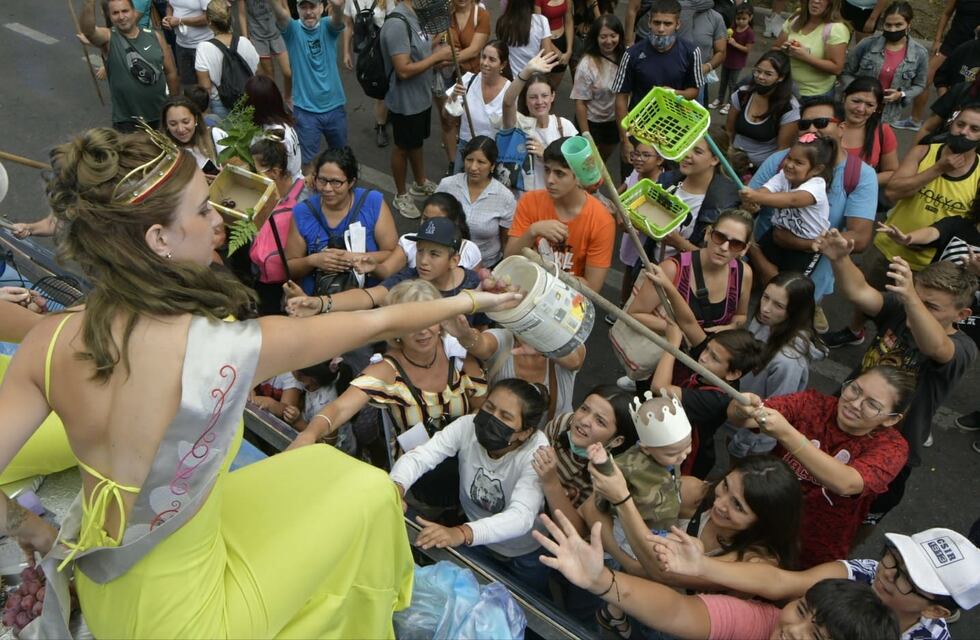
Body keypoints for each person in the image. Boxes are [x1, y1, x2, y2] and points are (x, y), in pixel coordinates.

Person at [6, 126, 520, 637]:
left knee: (331, 470)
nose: (218, 223)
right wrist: (478, 300)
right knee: (368, 497)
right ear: (158, 238)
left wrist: (32, 530)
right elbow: (380, 321)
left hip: (105, 582)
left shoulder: (49, 340)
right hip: (190, 619)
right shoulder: (221, 349)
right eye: (203, 210)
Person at [816, 230, 977, 535]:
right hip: (843, 419)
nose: (916, 307)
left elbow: (936, 348)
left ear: (962, 314)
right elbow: (860, 292)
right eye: (917, 296)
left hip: (886, 449)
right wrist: (840, 258)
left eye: (932, 306)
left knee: (847, 525)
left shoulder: (963, 349)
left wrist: (912, 299)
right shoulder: (903, 308)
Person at [533, 511, 900, 640]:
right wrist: (602, 583)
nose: (793, 631)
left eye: (818, 638)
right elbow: (679, 610)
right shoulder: (766, 622)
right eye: (801, 611)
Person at [290, 279, 492, 512]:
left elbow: (482, 408)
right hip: (414, 485)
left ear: (441, 321)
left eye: (429, 319)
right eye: (411, 323)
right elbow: (340, 409)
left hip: (470, 478)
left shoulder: (458, 356)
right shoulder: (387, 370)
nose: (423, 330)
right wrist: (309, 434)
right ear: (396, 329)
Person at [728, 364, 913, 567]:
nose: (855, 403)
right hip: (761, 517)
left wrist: (787, 433)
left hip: (815, 544)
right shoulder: (813, 403)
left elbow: (847, 483)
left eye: (872, 405)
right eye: (855, 389)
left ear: (892, 419)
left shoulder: (893, 447)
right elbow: (745, 419)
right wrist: (741, 409)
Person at [655, 525, 980, 640]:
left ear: (936, 612)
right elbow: (782, 582)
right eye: (894, 558)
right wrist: (703, 567)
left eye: (909, 579)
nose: (887, 573)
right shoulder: (868, 571)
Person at [828, 104, 980, 347]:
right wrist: (938, 169)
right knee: (867, 292)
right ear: (951, 124)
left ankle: (896, 350)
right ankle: (855, 330)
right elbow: (894, 191)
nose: (964, 132)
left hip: (937, 264)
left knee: (917, 314)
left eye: (974, 129)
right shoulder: (924, 152)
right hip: (891, 245)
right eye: (961, 124)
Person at [390, 379, 551, 592]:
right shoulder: (467, 426)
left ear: (524, 432)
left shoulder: (537, 452)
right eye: (489, 407)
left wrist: (461, 533)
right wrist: (395, 488)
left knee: (528, 607)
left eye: (506, 416)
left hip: (525, 551)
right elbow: (422, 456)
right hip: (476, 542)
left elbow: (521, 516)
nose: (492, 418)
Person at [748, 98, 879, 317]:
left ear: (842, 128)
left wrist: (803, 244)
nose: (812, 129)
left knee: (783, 334)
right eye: (804, 124)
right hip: (760, 263)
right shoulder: (782, 161)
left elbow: (861, 238)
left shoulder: (861, 176)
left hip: (808, 279)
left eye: (821, 122)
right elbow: (748, 205)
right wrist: (757, 255)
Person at [582, 392, 692, 637]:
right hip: (630, 526)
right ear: (646, 447)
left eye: (687, 447)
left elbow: (673, 475)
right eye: (674, 453)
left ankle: (617, 612)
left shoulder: (669, 456)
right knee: (633, 570)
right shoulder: (630, 463)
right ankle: (614, 611)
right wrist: (602, 462)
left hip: (661, 524)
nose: (682, 456)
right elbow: (610, 476)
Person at [288, 216, 484, 316]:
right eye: (420, 250)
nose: (423, 260)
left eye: (434, 254)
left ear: (454, 261)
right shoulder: (407, 279)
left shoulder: (474, 284)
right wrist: (320, 303)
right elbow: (368, 296)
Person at [505, 138, 615, 293]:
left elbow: (592, 287)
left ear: (577, 176)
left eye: (560, 174)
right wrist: (533, 231)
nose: (550, 180)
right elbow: (509, 259)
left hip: (569, 299)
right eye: (547, 170)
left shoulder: (602, 221)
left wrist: (544, 270)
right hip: (528, 290)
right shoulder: (529, 201)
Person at [284, 147, 397, 295]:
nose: (327, 188)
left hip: (368, 299)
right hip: (318, 301)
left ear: (351, 182)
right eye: (322, 180)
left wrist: (354, 258)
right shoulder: (303, 212)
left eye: (336, 182)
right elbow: (290, 266)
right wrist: (313, 261)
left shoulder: (373, 203)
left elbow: (393, 254)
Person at [380, 0, 453, 219]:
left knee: (416, 141)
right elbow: (403, 69)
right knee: (402, 146)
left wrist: (435, 46)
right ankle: (401, 193)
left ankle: (420, 182)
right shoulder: (396, 23)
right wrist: (437, 57)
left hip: (420, 97)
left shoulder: (418, 16)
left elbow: (420, 50)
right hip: (404, 100)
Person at [531, 386, 640, 529]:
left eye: (600, 421)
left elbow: (578, 530)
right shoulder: (563, 424)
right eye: (584, 409)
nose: (584, 421)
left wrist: (552, 483)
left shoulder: (609, 477)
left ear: (617, 441)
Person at [442, 315, 586, 419]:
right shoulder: (503, 339)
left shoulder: (566, 344)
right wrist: (464, 334)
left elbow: (575, 361)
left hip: (549, 448)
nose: (531, 326)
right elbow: (481, 344)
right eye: (525, 318)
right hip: (500, 440)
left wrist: (543, 347)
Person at [614, 0, 704, 162]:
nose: (661, 29)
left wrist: (675, 93)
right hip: (638, 131)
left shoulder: (691, 52)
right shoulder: (632, 54)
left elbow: (694, 91)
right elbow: (621, 97)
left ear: (677, 24)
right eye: (657, 23)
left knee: (669, 181)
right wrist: (625, 140)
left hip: (674, 132)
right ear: (649, 22)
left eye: (667, 23)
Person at [266, 0, 348, 173]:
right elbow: (279, 13)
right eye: (303, 7)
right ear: (297, 9)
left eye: (312, 6)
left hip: (334, 106)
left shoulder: (327, 26)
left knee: (341, 156)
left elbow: (338, 19)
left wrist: (339, 6)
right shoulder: (293, 30)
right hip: (306, 111)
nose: (308, 12)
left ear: (321, 8)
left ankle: (342, 192)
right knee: (308, 161)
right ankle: (312, 198)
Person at [79, 0, 179, 132]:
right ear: (109, 16)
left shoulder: (155, 36)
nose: (121, 16)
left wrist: (174, 105)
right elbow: (89, 32)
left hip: (160, 116)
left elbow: (171, 73)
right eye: (115, 13)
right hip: (128, 122)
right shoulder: (108, 37)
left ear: (133, 12)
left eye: (125, 11)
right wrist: (88, 3)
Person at [742, 133, 836, 273]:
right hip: (777, 234)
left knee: (788, 287)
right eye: (789, 158)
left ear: (817, 169)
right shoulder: (783, 176)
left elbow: (792, 200)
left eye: (798, 162)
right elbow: (767, 189)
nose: (790, 165)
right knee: (753, 269)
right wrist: (753, 199)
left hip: (806, 248)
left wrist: (756, 197)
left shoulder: (817, 185)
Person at [353, 193, 483, 280]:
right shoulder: (408, 241)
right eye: (425, 219)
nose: (424, 261)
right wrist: (375, 267)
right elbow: (387, 271)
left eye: (435, 254)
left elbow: (476, 284)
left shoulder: (469, 250)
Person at [840, 1, 929, 126]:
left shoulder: (920, 53)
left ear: (909, 25)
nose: (893, 29)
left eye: (898, 25)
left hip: (887, 115)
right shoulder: (867, 44)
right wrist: (857, 91)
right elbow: (846, 72)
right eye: (888, 25)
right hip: (857, 110)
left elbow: (919, 85)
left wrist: (901, 94)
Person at [501, 51, 579, 193]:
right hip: (524, 203)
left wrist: (546, 155)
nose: (539, 102)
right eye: (533, 97)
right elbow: (507, 103)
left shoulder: (565, 126)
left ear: (553, 96)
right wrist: (527, 71)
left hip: (556, 202)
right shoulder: (519, 124)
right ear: (525, 99)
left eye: (544, 95)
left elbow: (578, 169)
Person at [898, 0, 980, 131]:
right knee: (924, 77)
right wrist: (937, 40)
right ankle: (915, 120)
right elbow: (946, 14)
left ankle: (946, 121)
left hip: (972, 50)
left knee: (962, 87)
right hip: (951, 43)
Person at [248, 137, 307, 314]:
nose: (251, 174)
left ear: (274, 172)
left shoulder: (303, 197)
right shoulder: (261, 188)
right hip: (262, 273)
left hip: (289, 277)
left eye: (256, 170)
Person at [436, 137, 517, 267]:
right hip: (445, 263)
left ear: (492, 166)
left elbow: (505, 240)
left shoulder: (505, 197)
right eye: (469, 160)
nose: (473, 167)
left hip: (486, 267)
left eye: (481, 162)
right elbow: (432, 221)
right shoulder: (447, 185)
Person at [432, 0, 491, 173]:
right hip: (446, 77)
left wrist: (442, 60)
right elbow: (431, 43)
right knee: (448, 121)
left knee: (470, 120)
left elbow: (474, 50)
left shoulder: (481, 16)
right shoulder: (443, 16)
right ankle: (453, 164)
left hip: (471, 78)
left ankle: (475, 160)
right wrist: (436, 57)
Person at [725, 51, 800, 169]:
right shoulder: (742, 94)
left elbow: (782, 151)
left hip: (762, 168)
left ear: (781, 77)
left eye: (768, 74)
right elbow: (729, 131)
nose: (760, 77)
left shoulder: (789, 108)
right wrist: (728, 155)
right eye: (758, 71)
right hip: (733, 162)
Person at [449, 40, 512, 171]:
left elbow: (511, 127)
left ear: (503, 64)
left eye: (492, 59)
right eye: (483, 57)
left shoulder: (510, 91)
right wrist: (453, 96)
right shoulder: (467, 81)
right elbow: (447, 116)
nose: (485, 63)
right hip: (466, 149)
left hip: (493, 153)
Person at [570, 15, 625, 161]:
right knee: (588, 162)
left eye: (613, 36)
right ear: (596, 38)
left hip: (615, 121)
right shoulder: (586, 65)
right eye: (603, 37)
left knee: (602, 162)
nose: (609, 41)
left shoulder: (626, 58)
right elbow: (580, 103)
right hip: (592, 122)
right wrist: (586, 135)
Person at [772, 0, 850, 102]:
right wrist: (784, 50)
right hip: (784, 88)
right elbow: (775, 48)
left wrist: (805, 57)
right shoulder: (795, 19)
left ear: (831, 3)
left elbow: (836, 68)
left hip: (813, 96)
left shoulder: (836, 29)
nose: (816, 1)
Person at [195, 0, 260, 119]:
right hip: (249, 100)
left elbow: (206, 88)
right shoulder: (245, 42)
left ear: (209, 22)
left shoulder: (204, 48)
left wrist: (205, 114)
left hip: (221, 104)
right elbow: (257, 73)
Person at [342, 0, 392, 146]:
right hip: (363, 52)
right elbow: (348, 25)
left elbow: (394, 23)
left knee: (381, 88)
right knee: (372, 85)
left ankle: (381, 125)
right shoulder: (351, 1)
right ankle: (384, 116)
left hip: (382, 50)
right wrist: (346, 52)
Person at [283, 358, 356, 454]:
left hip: (338, 453)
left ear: (309, 379)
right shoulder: (325, 379)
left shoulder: (324, 404)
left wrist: (297, 421)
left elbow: (326, 443)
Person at [836, 77, 900, 184]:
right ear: (844, 98)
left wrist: (859, 183)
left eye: (869, 105)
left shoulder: (883, 131)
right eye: (856, 101)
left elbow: (891, 171)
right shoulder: (825, 125)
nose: (861, 109)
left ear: (877, 107)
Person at [243, 74, 303, 179]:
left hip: (284, 189)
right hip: (294, 180)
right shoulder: (282, 122)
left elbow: (269, 174)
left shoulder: (273, 136)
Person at [236, 0, 293, 103]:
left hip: (278, 31)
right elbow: (242, 14)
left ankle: (288, 97)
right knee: (269, 73)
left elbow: (285, 5)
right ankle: (275, 101)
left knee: (288, 72)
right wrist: (246, 39)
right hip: (258, 35)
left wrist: (291, 28)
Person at [160, 96, 225, 175]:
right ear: (166, 124)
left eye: (186, 122)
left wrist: (224, 176)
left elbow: (238, 168)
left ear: (195, 119)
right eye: (173, 124)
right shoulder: (164, 153)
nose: (181, 129)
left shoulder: (215, 135)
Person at [710, 3, 754, 115]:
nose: (741, 21)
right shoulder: (732, 28)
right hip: (727, 60)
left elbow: (747, 49)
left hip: (737, 63)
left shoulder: (749, 33)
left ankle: (730, 103)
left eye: (744, 19)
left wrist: (734, 44)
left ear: (750, 18)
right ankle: (719, 99)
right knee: (723, 82)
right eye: (738, 18)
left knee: (732, 84)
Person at [496, 0, 554, 79]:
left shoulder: (503, 22)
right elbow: (547, 55)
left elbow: (501, 51)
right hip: (534, 79)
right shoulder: (541, 21)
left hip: (511, 79)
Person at [163, 0, 211, 87]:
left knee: (207, 86)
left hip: (203, 45)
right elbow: (170, 5)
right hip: (181, 45)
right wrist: (168, 17)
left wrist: (180, 20)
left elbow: (208, 17)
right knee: (188, 87)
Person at [535, 0, 573, 88]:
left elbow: (569, 20)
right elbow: (538, 27)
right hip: (545, 44)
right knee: (542, 85)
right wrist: (557, 52)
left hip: (562, 40)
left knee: (554, 87)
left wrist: (569, 50)